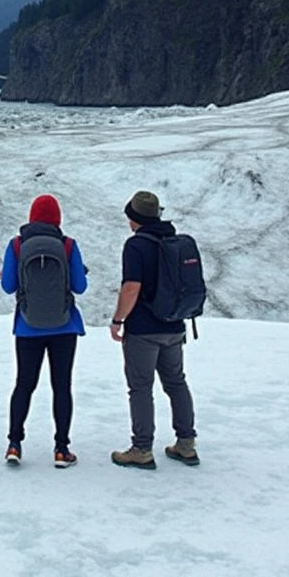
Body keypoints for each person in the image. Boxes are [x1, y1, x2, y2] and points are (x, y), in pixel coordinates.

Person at [110, 191, 199, 469]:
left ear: (133, 218)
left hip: (143, 330)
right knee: (176, 382)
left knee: (140, 388)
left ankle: (142, 449)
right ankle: (186, 444)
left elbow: (131, 287)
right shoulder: (173, 241)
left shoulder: (136, 246)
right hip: (174, 324)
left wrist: (118, 320)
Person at [0, 194, 88, 467]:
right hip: (64, 326)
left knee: (24, 384)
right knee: (62, 386)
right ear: (57, 219)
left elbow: (8, 285)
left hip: (27, 326)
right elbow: (80, 287)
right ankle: (62, 449)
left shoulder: (16, 245)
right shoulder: (68, 245)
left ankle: (14, 444)